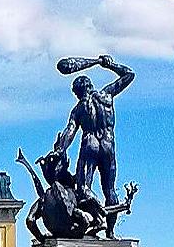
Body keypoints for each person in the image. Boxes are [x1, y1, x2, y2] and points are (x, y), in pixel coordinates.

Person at [52, 55, 135, 235]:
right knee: (110, 190)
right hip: (108, 145)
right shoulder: (106, 95)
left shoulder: (79, 109)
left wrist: (59, 150)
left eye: (75, 92)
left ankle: (99, 218)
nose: (76, 95)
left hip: (90, 144)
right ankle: (110, 232)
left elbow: (69, 132)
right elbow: (129, 74)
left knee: (83, 189)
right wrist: (110, 65)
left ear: (80, 91)